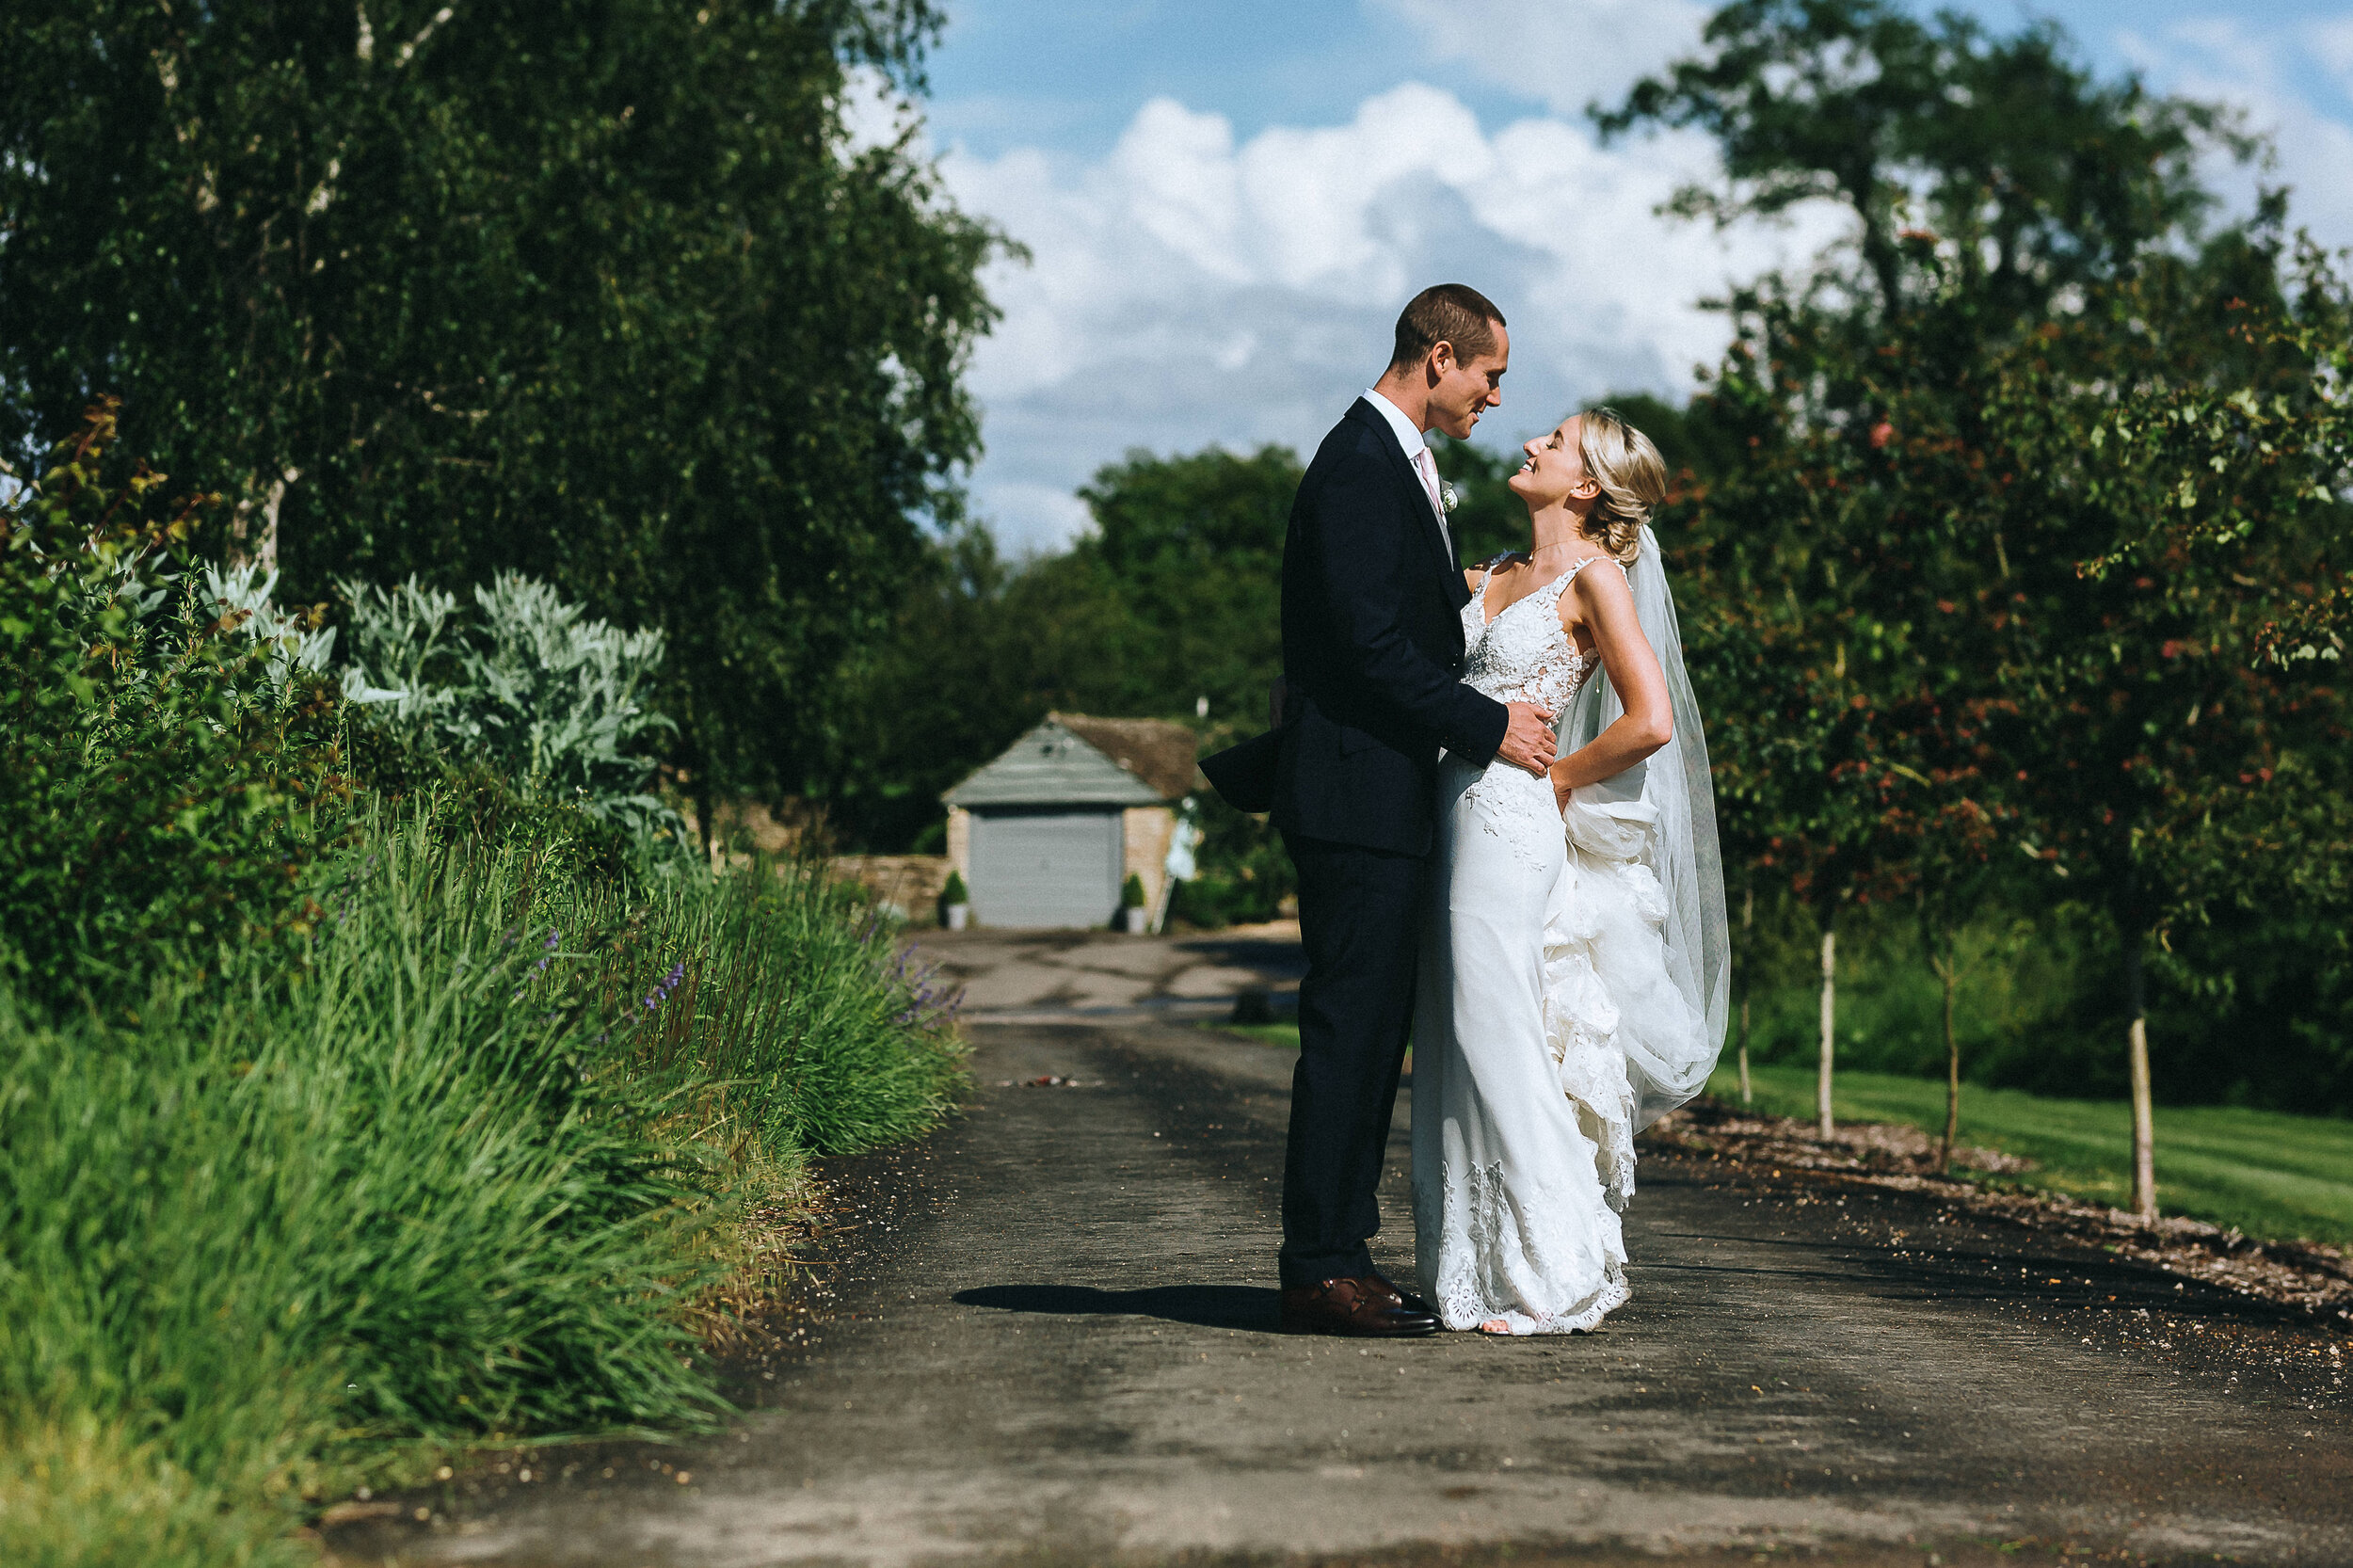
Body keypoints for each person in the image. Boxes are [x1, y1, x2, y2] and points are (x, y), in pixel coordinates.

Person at [1260, 284, 1559, 1338]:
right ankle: (1317, 1267)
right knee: (1348, 1031)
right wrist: (1490, 726)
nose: (1490, 397)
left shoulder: (1402, 464)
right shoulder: (1355, 465)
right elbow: (1367, 650)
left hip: (1383, 797)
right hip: (1352, 798)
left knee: (1373, 1028)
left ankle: (1346, 1251)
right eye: (1488, 375)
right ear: (1439, 356)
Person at [1411, 408, 1729, 1335]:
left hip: (1512, 818)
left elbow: (1649, 719)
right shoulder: (1487, 575)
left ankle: (1558, 1270)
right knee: (1449, 1032)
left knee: (1494, 1022)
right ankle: (1472, 1269)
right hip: (1445, 816)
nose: (1528, 445)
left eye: (1551, 441)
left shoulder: (1596, 583)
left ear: (1585, 484)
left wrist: (1557, 777)